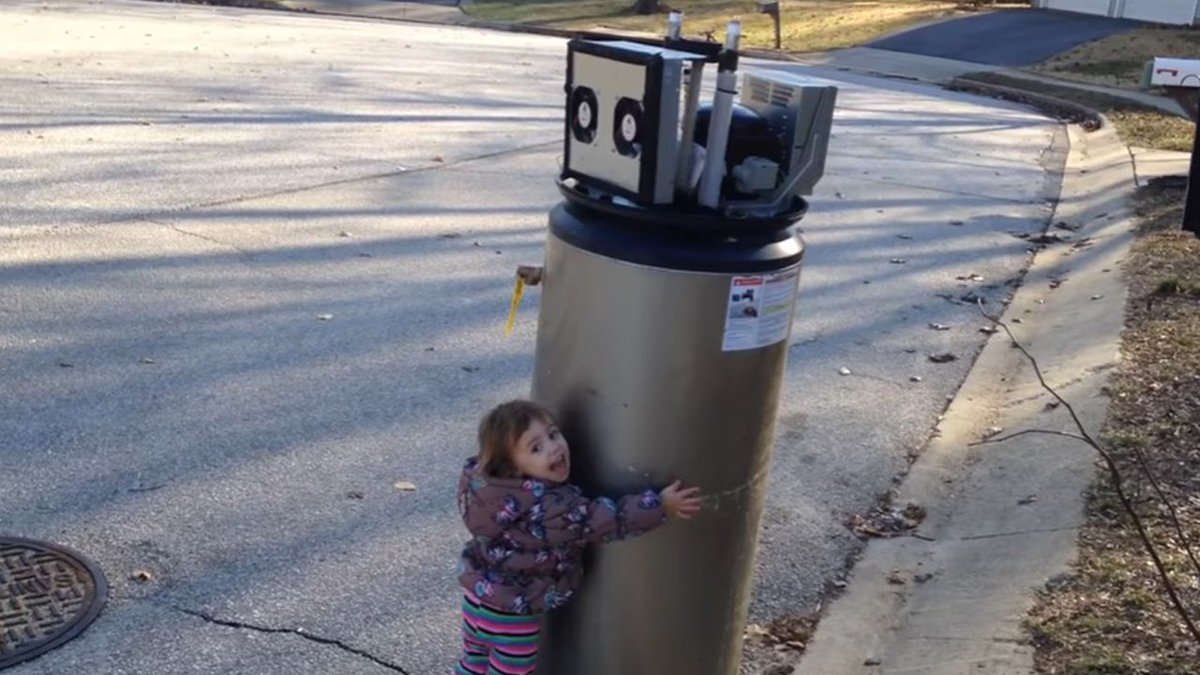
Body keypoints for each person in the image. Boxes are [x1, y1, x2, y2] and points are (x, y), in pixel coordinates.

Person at [454, 399, 703, 675]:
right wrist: (659, 505)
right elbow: (608, 520)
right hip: (513, 613)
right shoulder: (551, 507)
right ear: (513, 468)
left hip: (476, 598)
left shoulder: (483, 489)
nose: (554, 447)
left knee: (472, 662)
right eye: (536, 448)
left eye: (552, 434)